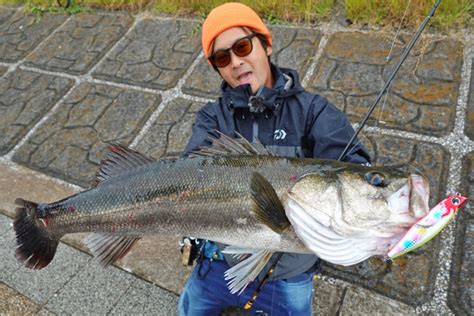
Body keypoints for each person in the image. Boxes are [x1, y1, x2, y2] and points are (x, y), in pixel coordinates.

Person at [178, 3, 370, 315]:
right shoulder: (212, 118)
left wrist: (371, 200)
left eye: (242, 46)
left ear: (266, 43)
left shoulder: (313, 112)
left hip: (287, 274)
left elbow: (351, 165)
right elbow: (190, 171)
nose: (236, 62)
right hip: (217, 263)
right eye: (222, 58)